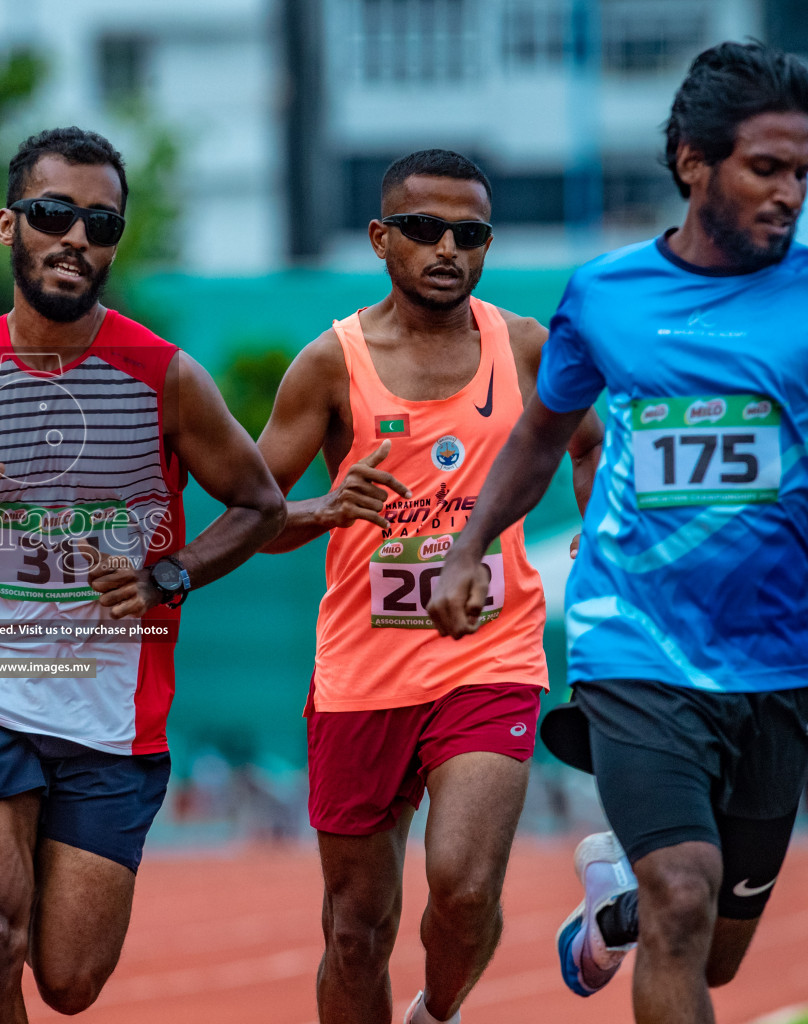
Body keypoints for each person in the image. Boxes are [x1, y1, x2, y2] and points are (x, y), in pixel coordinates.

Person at [0, 126, 284, 1021]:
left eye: (101, 223)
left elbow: (260, 504)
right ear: (10, 226)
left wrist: (171, 574)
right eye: (53, 214)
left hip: (111, 716)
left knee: (70, 981)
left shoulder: (164, 378)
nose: (76, 238)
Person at [427, 41, 808, 1024]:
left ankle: (612, 915)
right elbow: (543, 432)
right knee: (686, 890)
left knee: (710, 944)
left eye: (802, 173)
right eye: (766, 168)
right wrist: (468, 547)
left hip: (779, 657)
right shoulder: (605, 297)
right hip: (637, 640)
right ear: (693, 160)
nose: (788, 193)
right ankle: (648, 901)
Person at [256, 149, 602, 1024]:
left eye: (470, 233)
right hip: (360, 677)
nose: (447, 247)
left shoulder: (524, 345)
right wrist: (325, 511)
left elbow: (592, 441)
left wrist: (600, 542)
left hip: (490, 656)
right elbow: (252, 513)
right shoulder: (329, 365)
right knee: (356, 931)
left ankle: (437, 1013)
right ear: (381, 239)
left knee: (464, 885)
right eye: (423, 229)